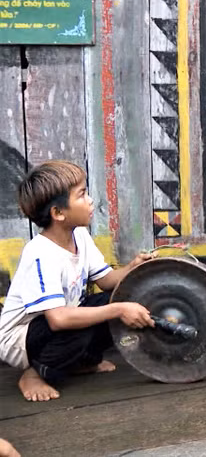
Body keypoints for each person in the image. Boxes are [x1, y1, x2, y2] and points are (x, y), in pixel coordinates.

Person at [0, 161, 155, 402]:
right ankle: (33, 375)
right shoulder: (40, 253)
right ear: (58, 213)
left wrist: (134, 266)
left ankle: (78, 362)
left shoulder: (79, 235)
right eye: (82, 195)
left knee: (117, 298)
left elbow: (106, 281)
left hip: (55, 322)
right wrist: (117, 310)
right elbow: (59, 319)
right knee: (95, 315)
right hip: (19, 338)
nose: (91, 200)